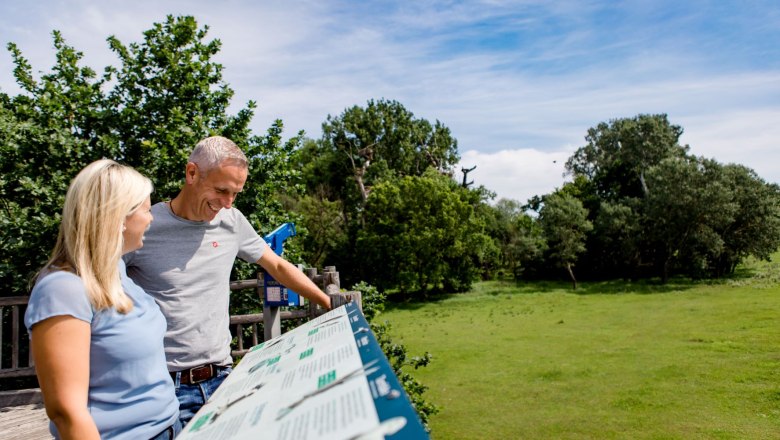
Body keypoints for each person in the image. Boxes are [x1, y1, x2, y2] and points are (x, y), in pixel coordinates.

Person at [124, 136, 332, 425]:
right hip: (162, 384)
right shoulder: (145, 226)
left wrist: (326, 302)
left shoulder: (232, 221)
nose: (227, 203)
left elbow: (277, 266)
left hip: (221, 380)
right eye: (221, 190)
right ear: (192, 173)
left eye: (236, 193)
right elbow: (100, 286)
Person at [25, 160, 180, 440]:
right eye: (146, 210)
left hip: (169, 427)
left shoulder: (115, 270)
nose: (151, 218)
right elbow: (66, 412)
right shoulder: (62, 289)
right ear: (118, 217)